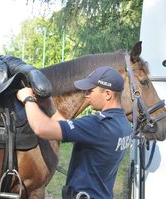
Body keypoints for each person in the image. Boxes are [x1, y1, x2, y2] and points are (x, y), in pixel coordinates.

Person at [16, 66, 132, 199]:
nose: (86, 95)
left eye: (91, 90)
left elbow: (41, 128)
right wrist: (49, 105)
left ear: (107, 94)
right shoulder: (122, 124)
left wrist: (28, 99)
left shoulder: (98, 125)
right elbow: (67, 127)